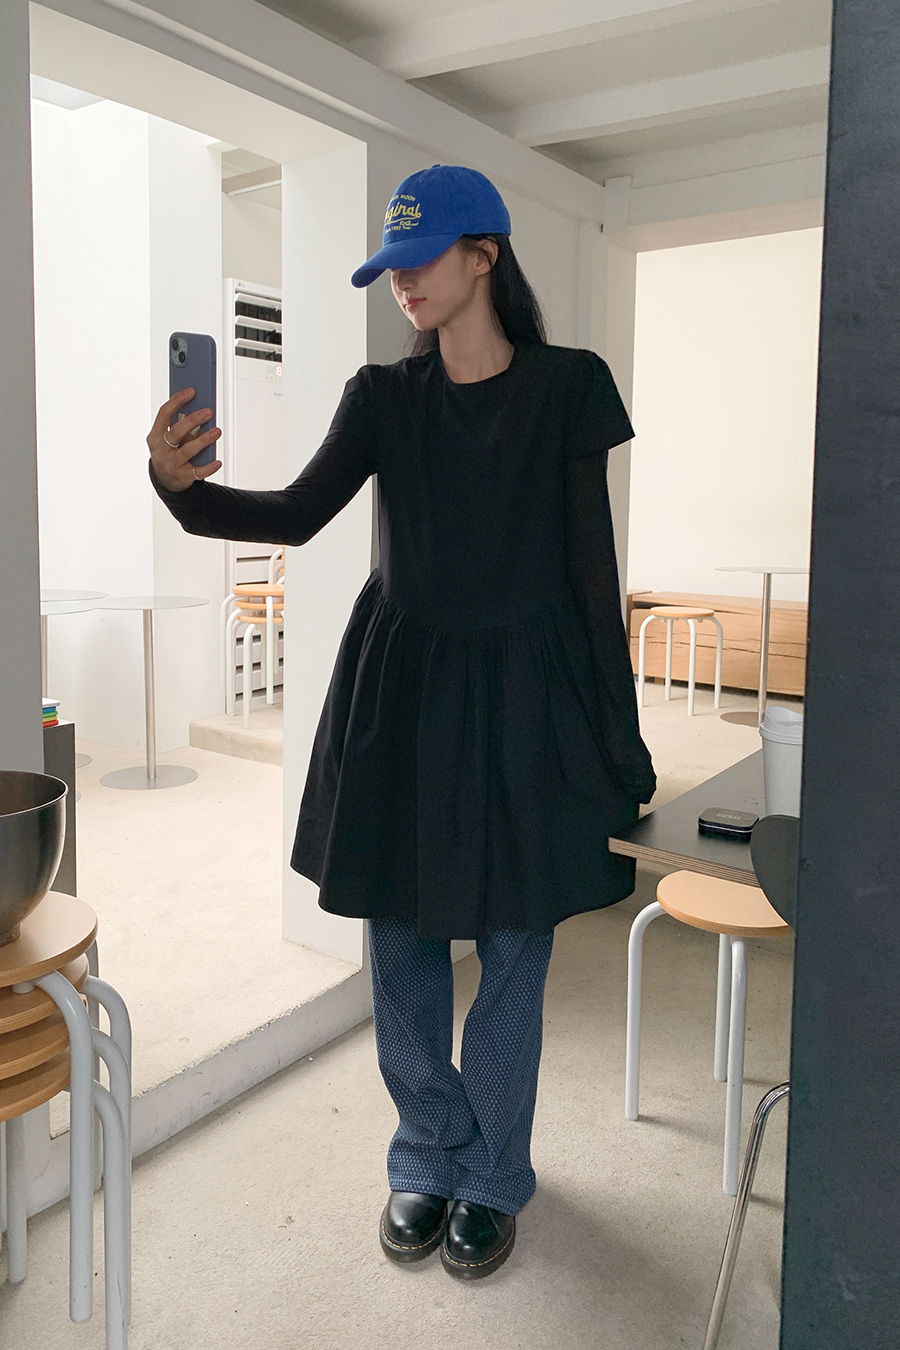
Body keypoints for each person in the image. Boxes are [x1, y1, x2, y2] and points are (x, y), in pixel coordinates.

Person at [146, 163, 656, 1282]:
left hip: (526, 690)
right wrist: (181, 489)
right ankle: (426, 1150)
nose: (404, 284)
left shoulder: (569, 388)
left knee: (516, 940)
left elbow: (591, 576)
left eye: (422, 261)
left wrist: (619, 741)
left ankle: (494, 1174)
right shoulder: (383, 397)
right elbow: (293, 513)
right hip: (407, 687)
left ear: (485, 256)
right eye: (391, 268)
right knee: (403, 932)